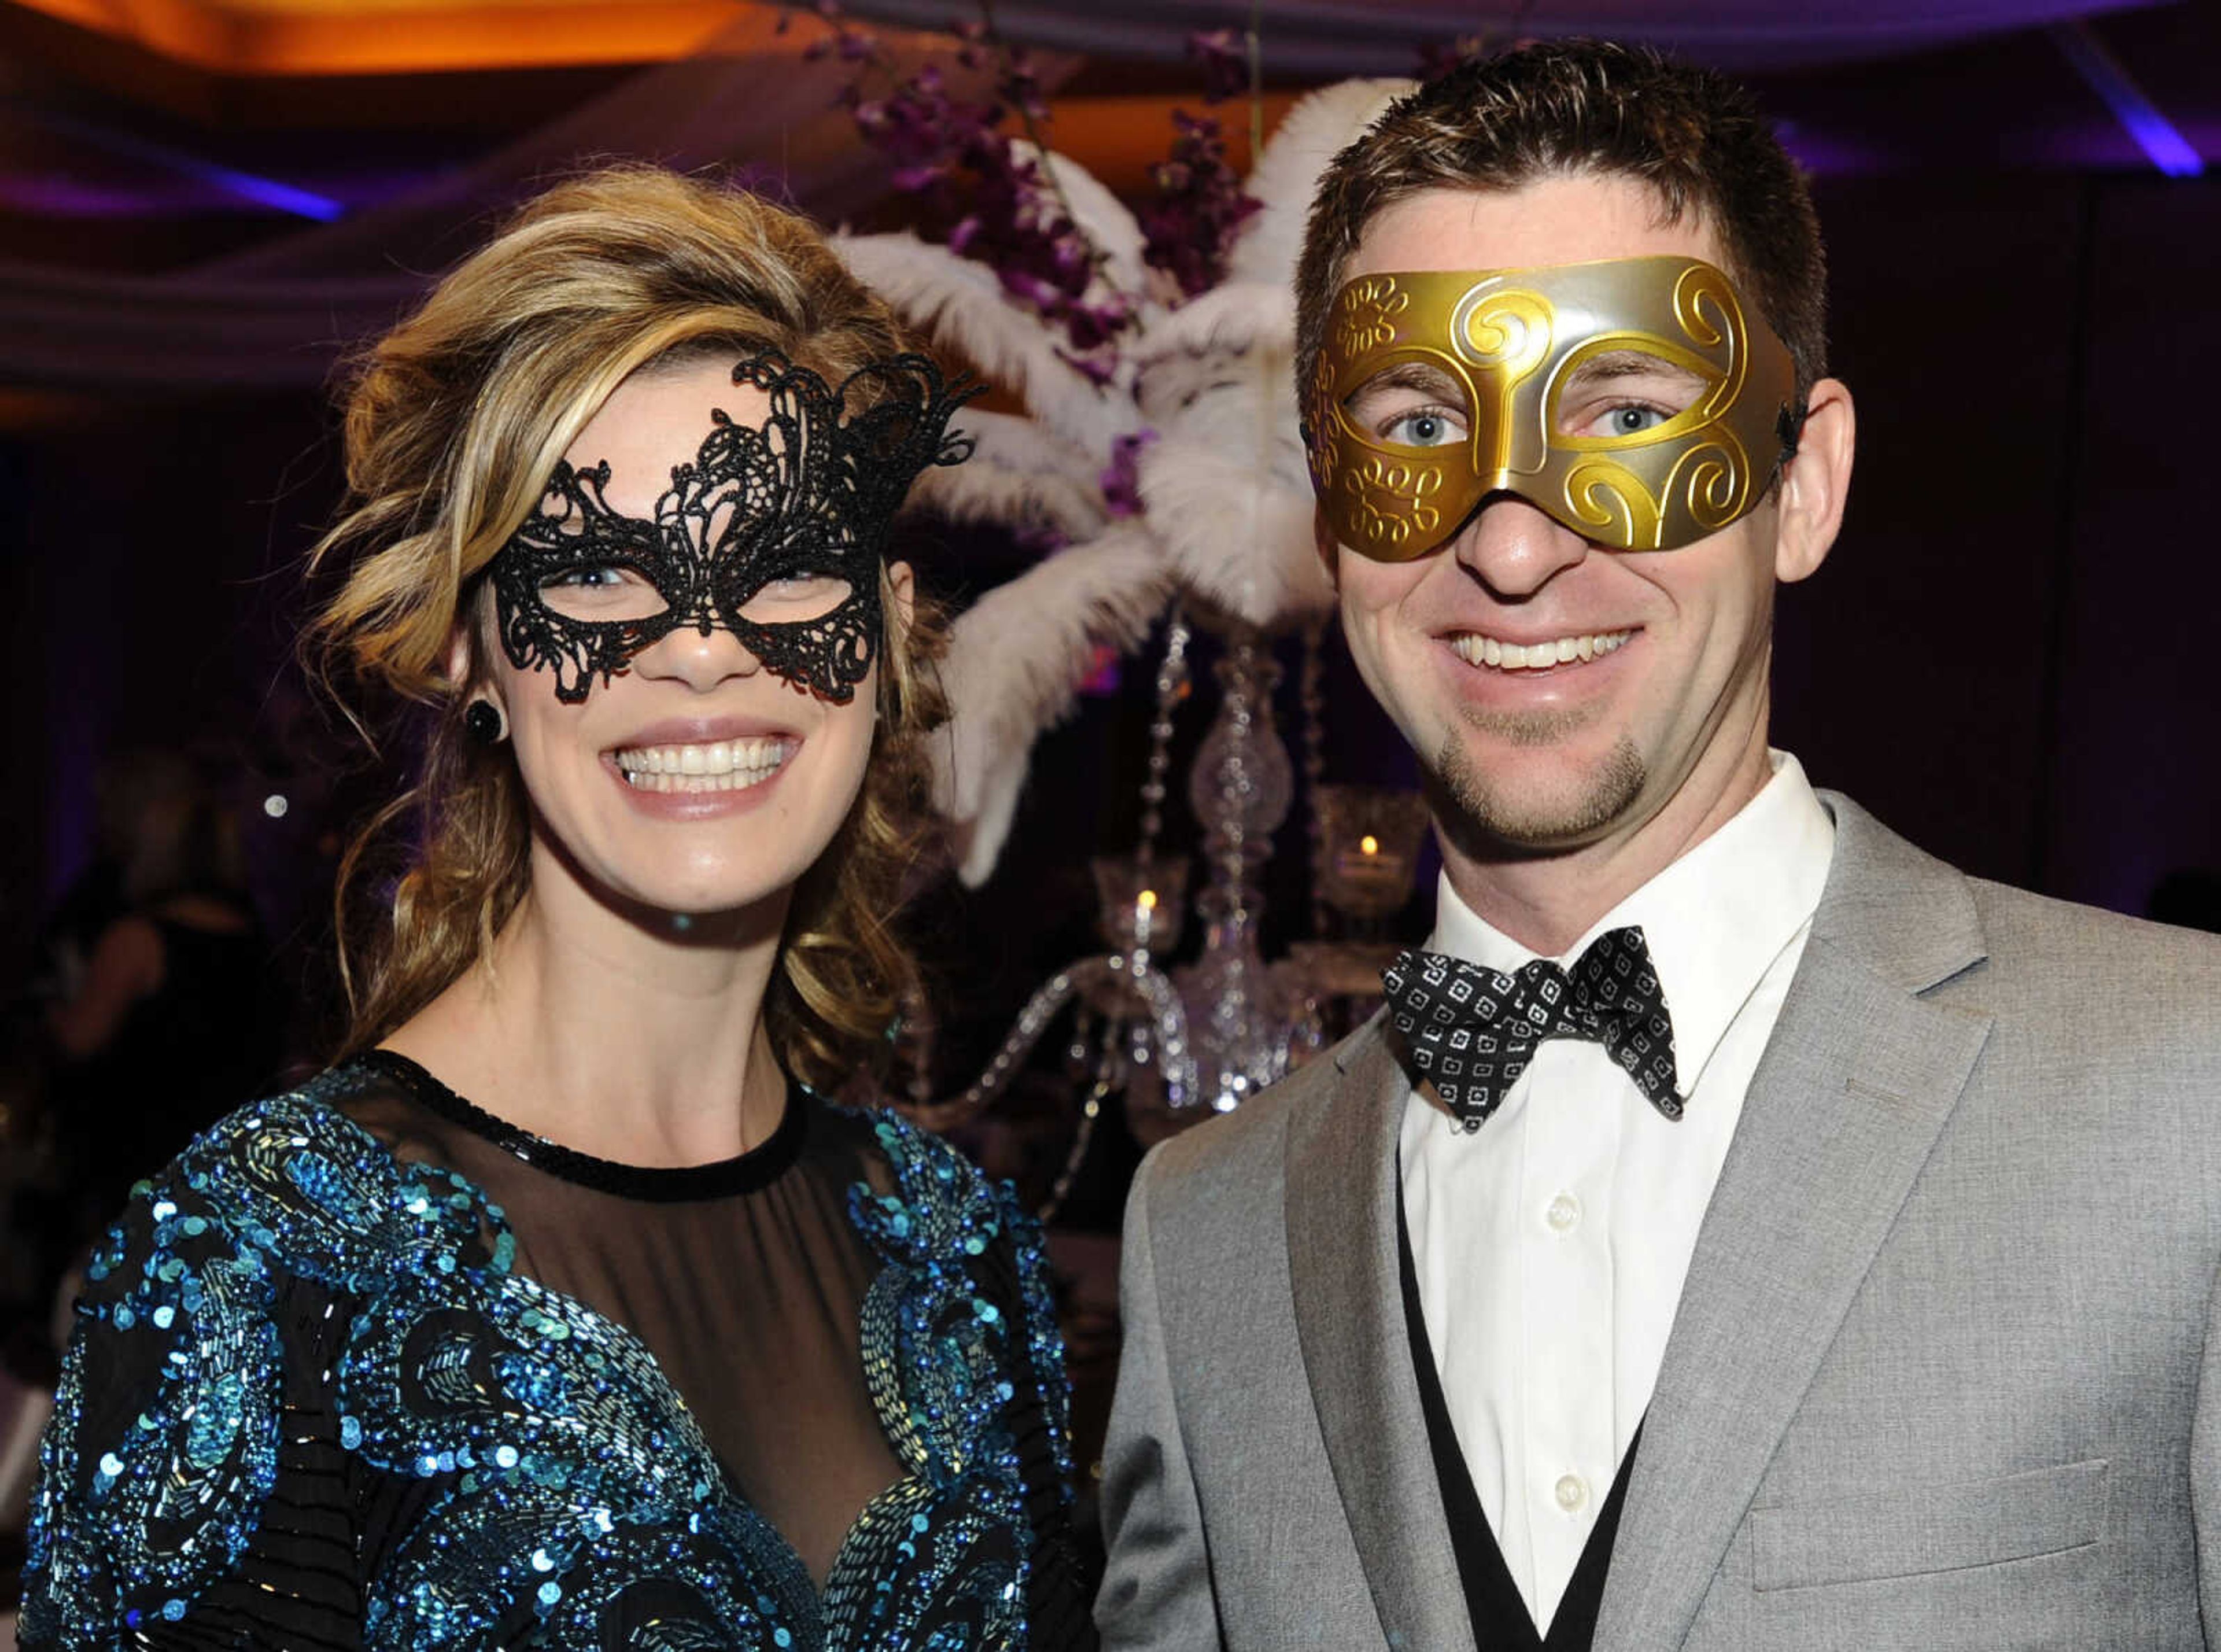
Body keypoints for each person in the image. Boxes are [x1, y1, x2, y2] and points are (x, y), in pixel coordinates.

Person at [1097, 41, 2221, 1652]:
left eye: (1625, 413)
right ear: (1334, 517)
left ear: (1802, 484)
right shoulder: (1202, 1233)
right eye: (1419, 422)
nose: (1507, 543)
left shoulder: (2189, 1099)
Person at [19, 165, 1094, 1651]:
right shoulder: (255, 1262)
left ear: (893, 632)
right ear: (472, 652)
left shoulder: (968, 1253)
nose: (705, 654)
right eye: (596, 578)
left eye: (782, 565)